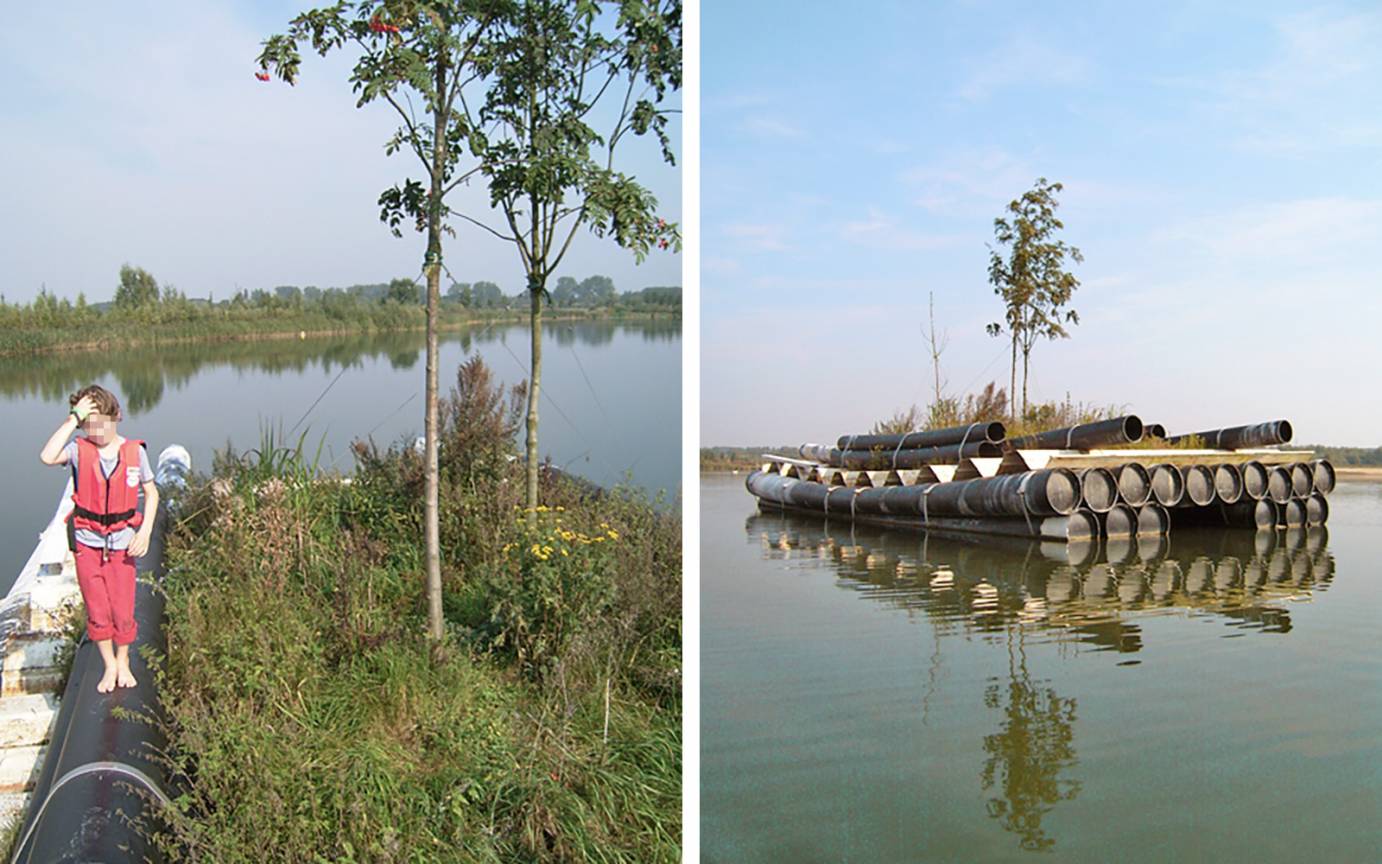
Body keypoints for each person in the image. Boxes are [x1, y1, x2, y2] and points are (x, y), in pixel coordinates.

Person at [37, 385, 158, 694]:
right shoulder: (79, 450)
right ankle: (108, 665)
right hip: (88, 543)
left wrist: (144, 532)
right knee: (97, 607)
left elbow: (151, 492)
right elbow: (47, 457)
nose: (95, 430)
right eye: (87, 424)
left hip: (122, 543)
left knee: (121, 606)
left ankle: (123, 660)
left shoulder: (134, 452)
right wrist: (71, 420)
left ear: (116, 416)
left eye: (100, 421)